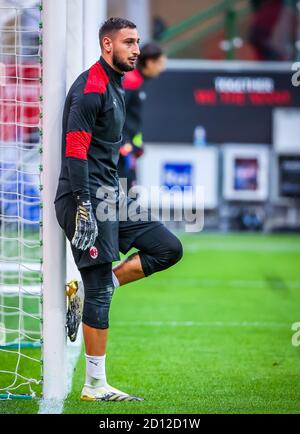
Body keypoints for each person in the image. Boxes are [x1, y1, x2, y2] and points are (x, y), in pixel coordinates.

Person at [54, 17, 183, 402]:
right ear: (107, 45)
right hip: (85, 200)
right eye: (129, 42)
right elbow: (75, 150)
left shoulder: (117, 83)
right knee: (96, 293)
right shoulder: (91, 87)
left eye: (138, 42)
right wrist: (83, 206)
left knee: (168, 248)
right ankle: (95, 386)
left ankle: (106, 285)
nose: (137, 50)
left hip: (112, 197)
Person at [118, 42, 166, 193]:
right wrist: (124, 143)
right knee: (126, 194)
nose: (162, 68)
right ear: (150, 62)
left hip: (129, 149)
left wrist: (137, 144)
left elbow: (133, 120)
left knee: (131, 194)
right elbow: (118, 113)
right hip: (121, 150)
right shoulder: (131, 81)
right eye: (160, 63)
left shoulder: (138, 81)